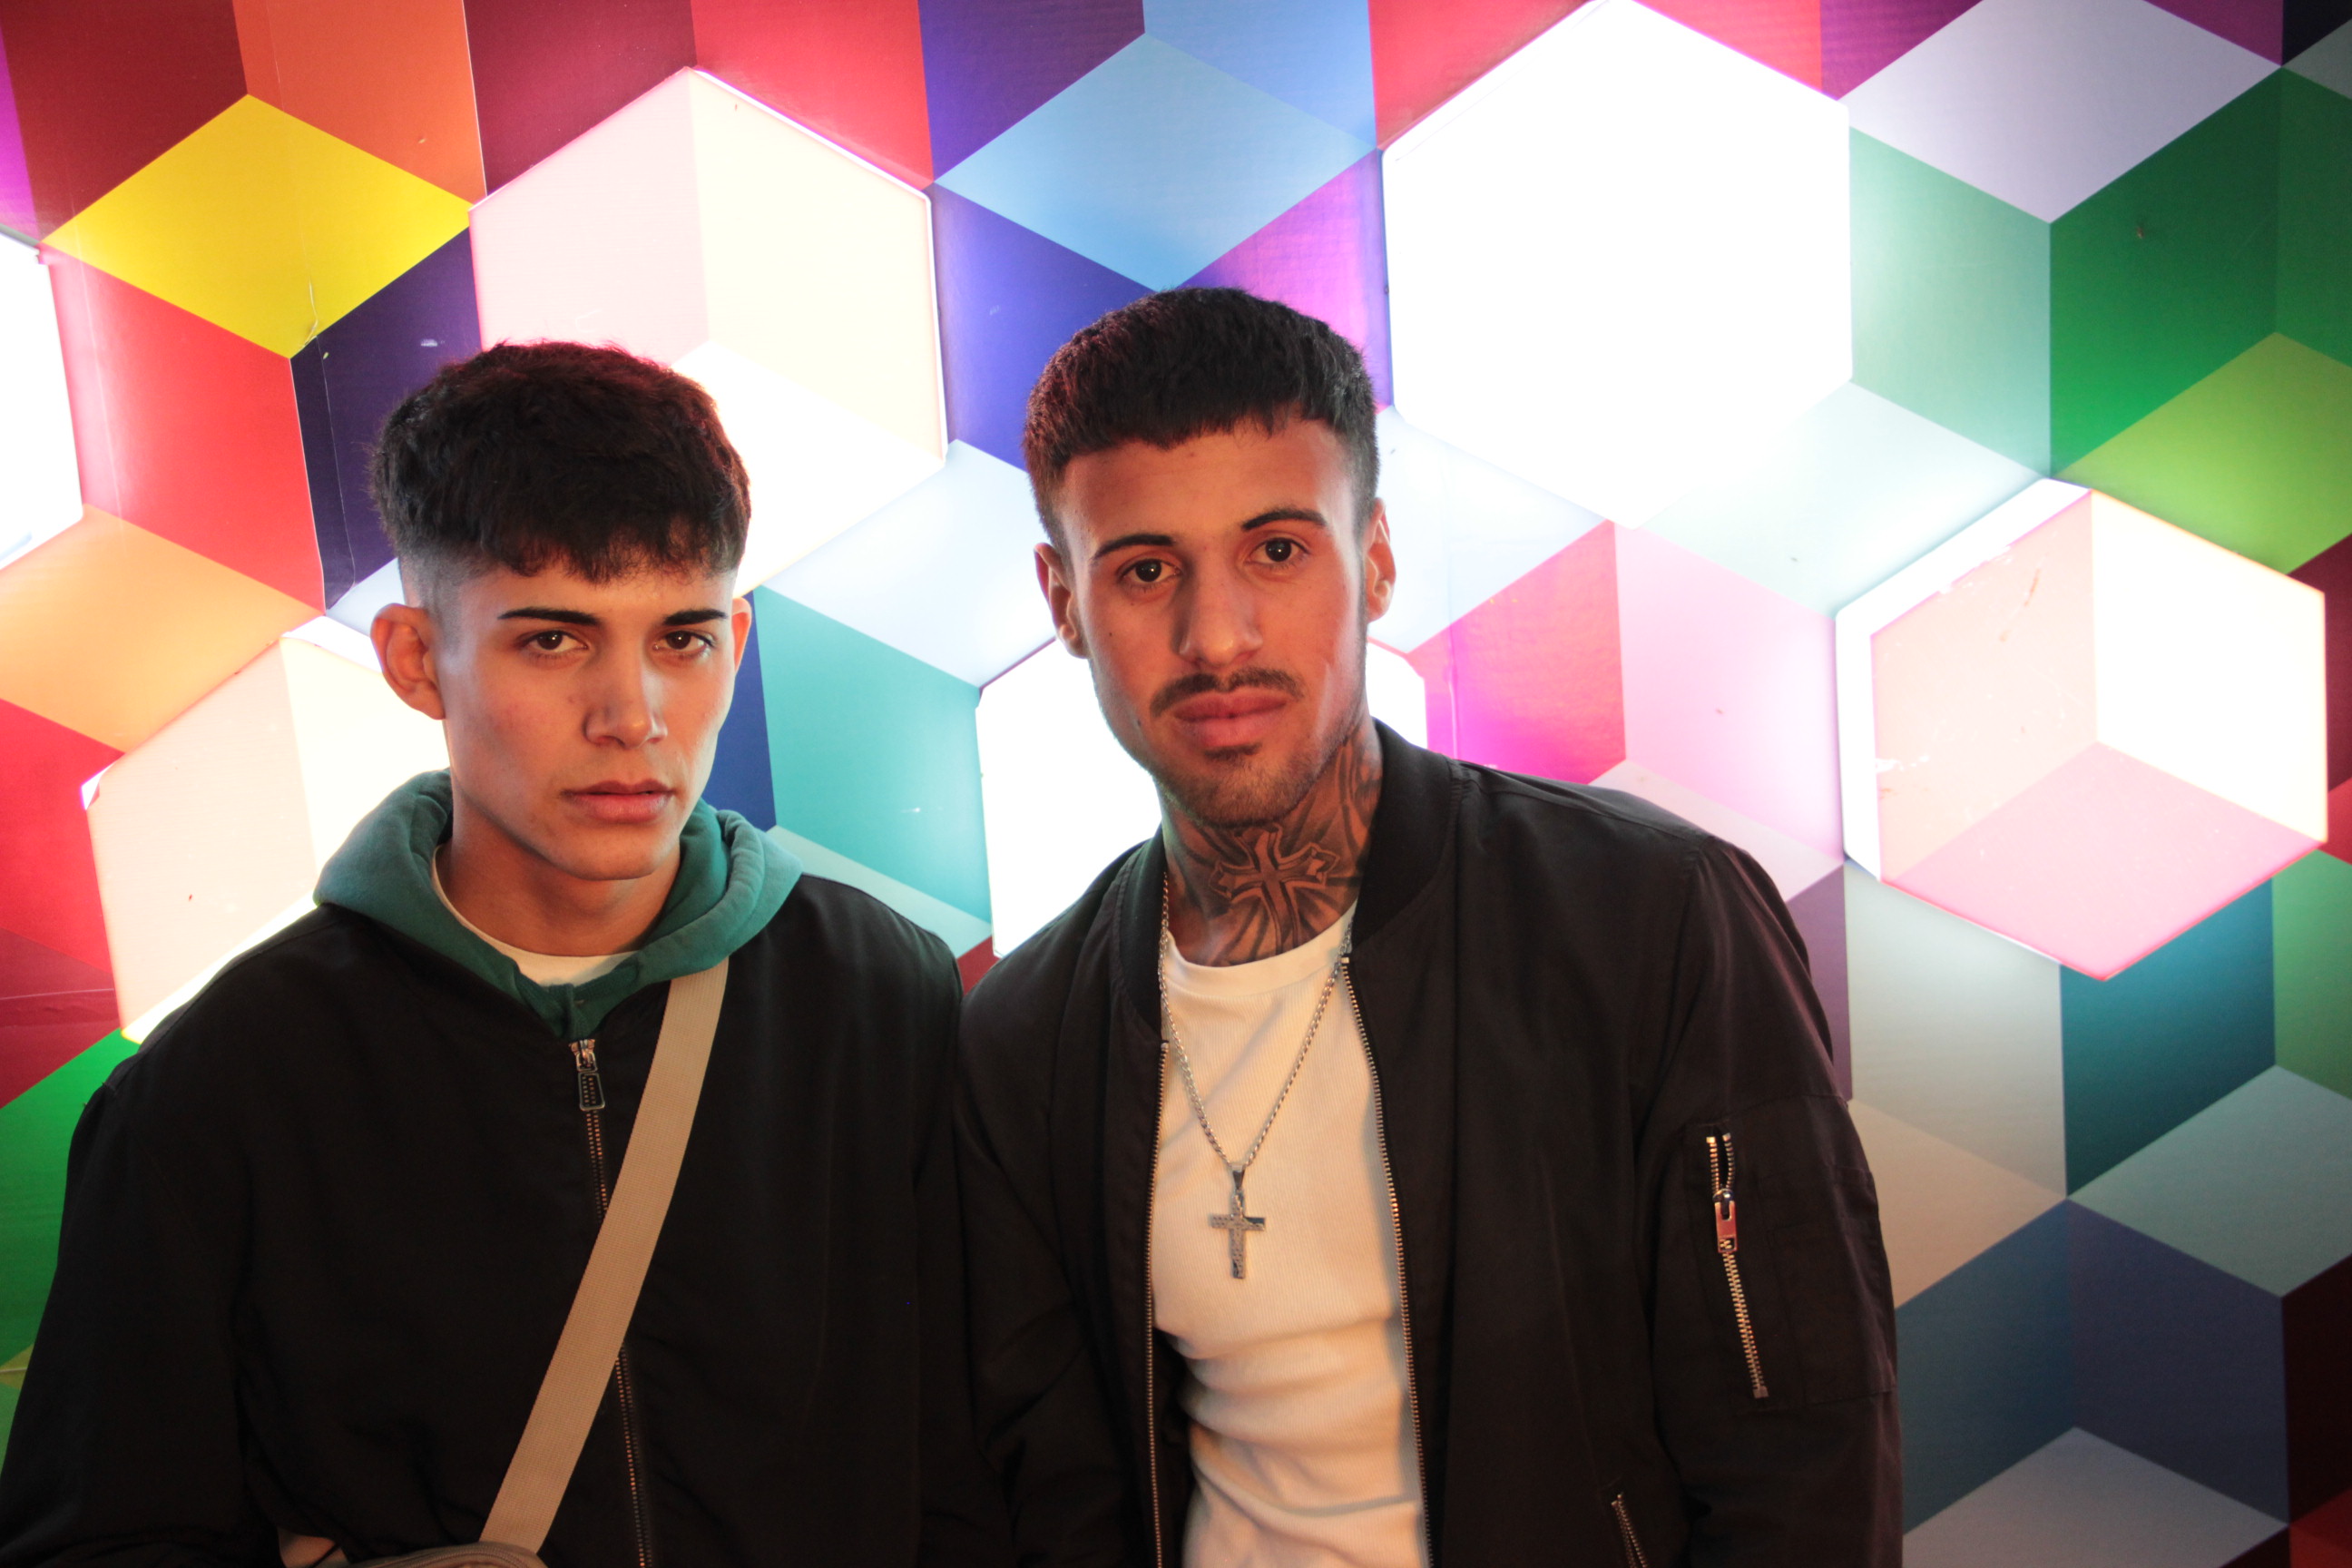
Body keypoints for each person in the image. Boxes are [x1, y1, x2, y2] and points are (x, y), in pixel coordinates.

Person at [0, 343, 1008, 1567]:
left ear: (737, 642)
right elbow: (103, 1538)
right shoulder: (224, 1083)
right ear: (415, 659)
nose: (632, 716)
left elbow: (978, 1476)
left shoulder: (881, 998)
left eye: (681, 640)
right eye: (554, 641)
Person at [956, 289, 1899, 1567]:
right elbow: (1061, 1504)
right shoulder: (1028, 1038)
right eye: (1145, 570)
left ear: (1378, 559)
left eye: (1277, 551)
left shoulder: (1649, 920)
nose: (1216, 635)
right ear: (1064, 600)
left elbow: (1806, 1460)